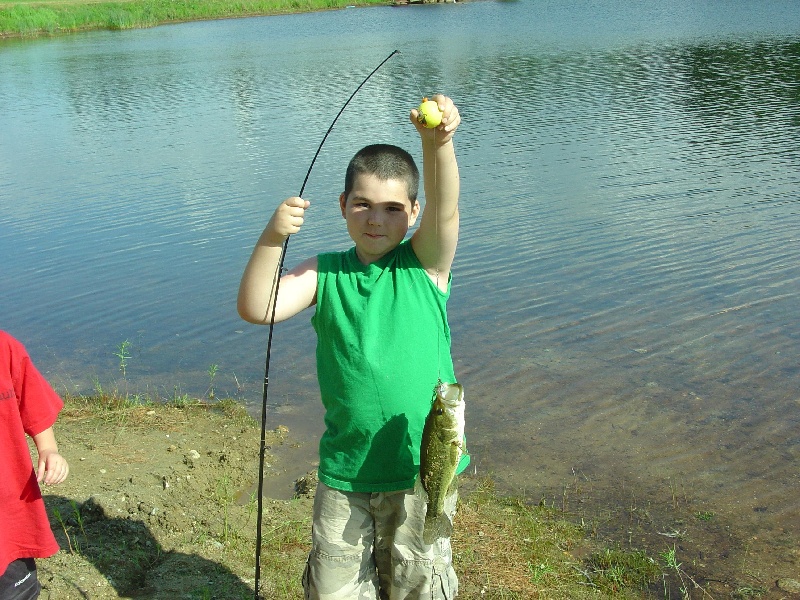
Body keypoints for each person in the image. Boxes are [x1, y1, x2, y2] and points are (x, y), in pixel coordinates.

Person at [238, 95, 469, 599]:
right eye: (362, 203)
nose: (375, 219)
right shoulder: (325, 273)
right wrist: (273, 237)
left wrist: (440, 144)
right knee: (334, 588)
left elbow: (446, 207)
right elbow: (259, 306)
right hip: (345, 471)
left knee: (417, 583)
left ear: (413, 211)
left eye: (392, 208)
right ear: (343, 205)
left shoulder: (425, 266)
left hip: (418, 474)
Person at [0, 331, 70, 600]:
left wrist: (49, 450)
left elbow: (34, 403)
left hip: (8, 514)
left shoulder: (5, 348)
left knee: (16, 591)